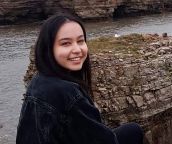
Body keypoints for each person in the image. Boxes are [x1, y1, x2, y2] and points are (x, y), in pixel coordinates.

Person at [16, 13, 143, 144]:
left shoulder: (37, 81)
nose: (77, 49)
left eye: (80, 41)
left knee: (130, 131)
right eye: (66, 43)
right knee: (133, 131)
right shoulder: (67, 93)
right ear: (48, 48)